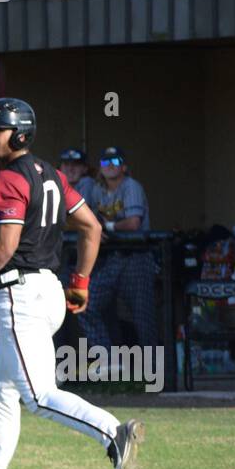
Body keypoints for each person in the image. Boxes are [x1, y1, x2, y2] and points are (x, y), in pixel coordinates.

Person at [0, 98, 145, 469]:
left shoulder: (8, 180)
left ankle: (113, 432)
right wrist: (82, 281)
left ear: (19, 134)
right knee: (2, 392)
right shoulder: (50, 173)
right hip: (48, 292)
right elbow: (91, 226)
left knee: (36, 396)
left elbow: (4, 248)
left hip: (20, 298)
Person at [79, 146, 156, 352]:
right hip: (113, 259)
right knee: (86, 303)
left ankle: (159, 375)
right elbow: (88, 217)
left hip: (137, 258)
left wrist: (107, 226)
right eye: (105, 162)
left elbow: (133, 224)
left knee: (143, 319)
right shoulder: (97, 189)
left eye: (115, 162)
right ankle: (110, 364)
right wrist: (94, 226)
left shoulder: (131, 186)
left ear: (124, 167)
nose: (110, 166)